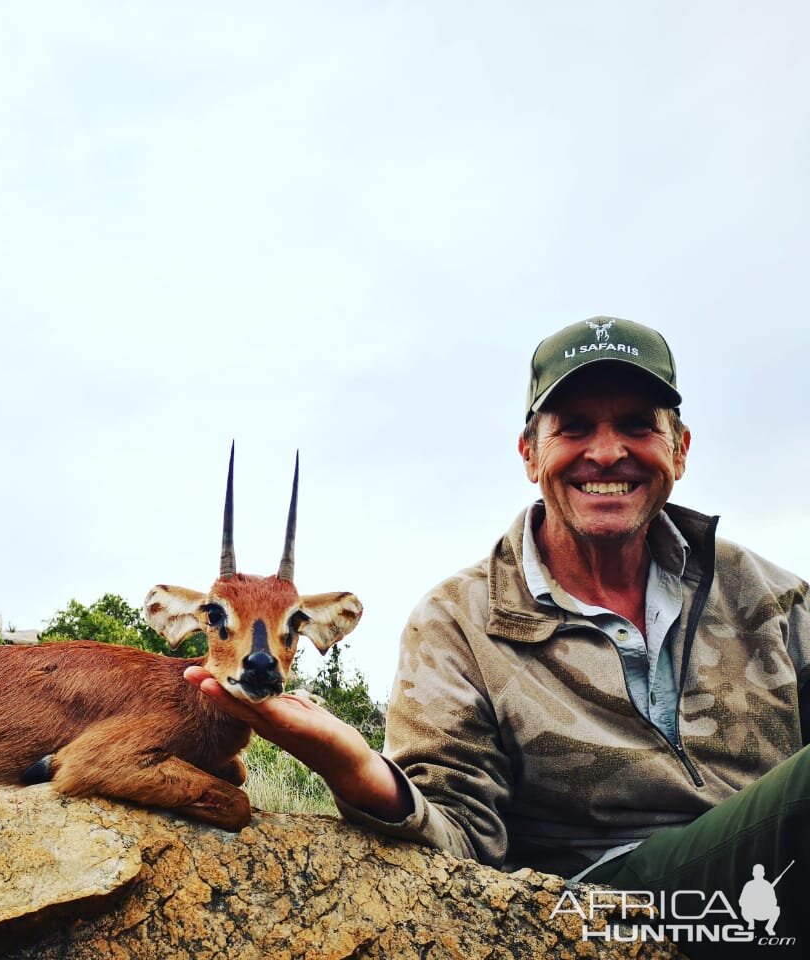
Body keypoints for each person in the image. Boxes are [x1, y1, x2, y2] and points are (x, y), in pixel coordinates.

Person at [186, 317, 808, 953]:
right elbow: (461, 839)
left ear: (679, 448)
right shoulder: (456, 622)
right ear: (530, 454)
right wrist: (358, 769)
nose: (605, 452)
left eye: (637, 425)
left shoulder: (767, 594)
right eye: (573, 427)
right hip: (605, 909)